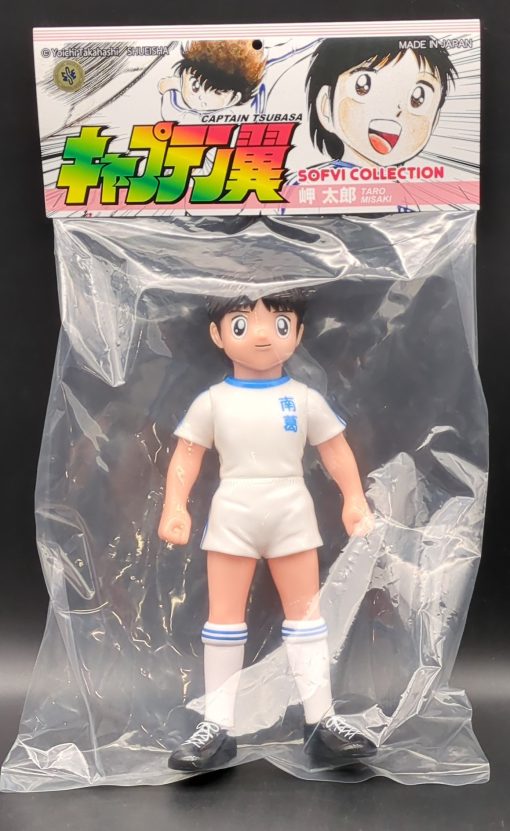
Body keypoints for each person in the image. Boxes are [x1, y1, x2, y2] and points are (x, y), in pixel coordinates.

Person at [158, 290, 375, 771]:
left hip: (291, 510)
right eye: (241, 324)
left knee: (307, 620)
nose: (260, 335)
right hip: (234, 511)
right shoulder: (213, 402)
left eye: (278, 324)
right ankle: (217, 724)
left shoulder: (304, 398)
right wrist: (175, 505)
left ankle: (320, 720)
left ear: (297, 334)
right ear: (217, 334)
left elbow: (336, 450)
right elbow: (186, 456)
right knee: (222, 622)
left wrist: (354, 498)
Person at [306, 37, 458, 168]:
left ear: (434, 121)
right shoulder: (314, 184)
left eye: (418, 99)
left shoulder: (407, 190)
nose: (393, 108)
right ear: (326, 107)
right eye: (363, 87)